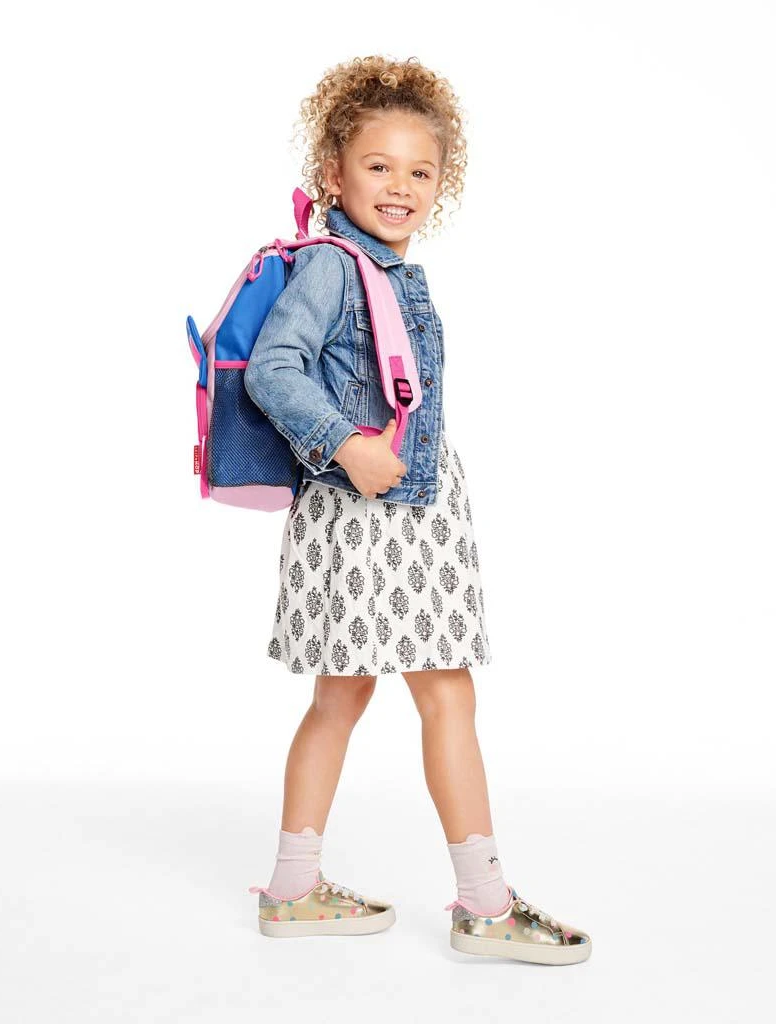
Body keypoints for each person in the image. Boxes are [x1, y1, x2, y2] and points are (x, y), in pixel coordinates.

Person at [244, 55, 591, 965]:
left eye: (420, 170)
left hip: (406, 508)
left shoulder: (390, 271)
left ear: (442, 183)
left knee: (344, 693)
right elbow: (274, 369)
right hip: (373, 512)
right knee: (441, 691)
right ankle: (484, 904)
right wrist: (347, 444)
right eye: (378, 166)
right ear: (333, 174)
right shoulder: (332, 266)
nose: (400, 185)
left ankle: (293, 887)